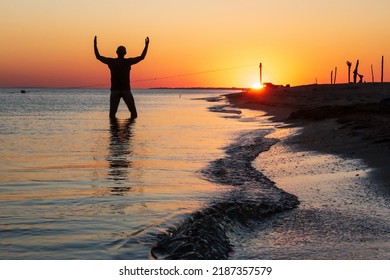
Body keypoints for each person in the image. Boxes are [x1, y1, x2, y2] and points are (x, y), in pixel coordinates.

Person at [94, 36, 149, 119]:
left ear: (117, 52)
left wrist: (95, 45)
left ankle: (115, 131)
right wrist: (146, 45)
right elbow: (142, 57)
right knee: (133, 113)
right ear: (125, 53)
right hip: (125, 90)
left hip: (115, 91)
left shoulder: (112, 62)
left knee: (112, 114)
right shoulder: (127, 62)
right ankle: (128, 131)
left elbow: (98, 56)